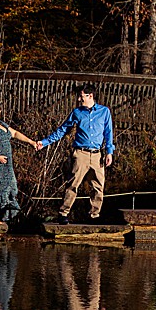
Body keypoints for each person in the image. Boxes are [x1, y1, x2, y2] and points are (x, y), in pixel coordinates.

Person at [39, 84, 115, 222]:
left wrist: (109, 152)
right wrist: (44, 142)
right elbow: (63, 130)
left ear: (90, 96)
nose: (79, 99)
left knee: (98, 186)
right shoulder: (77, 112)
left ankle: (94, 215)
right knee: (73, 183)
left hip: (97, 154)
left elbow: (108, 133)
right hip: (81, 153)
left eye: (82, 96)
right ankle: (63, 213)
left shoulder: (104, 112)